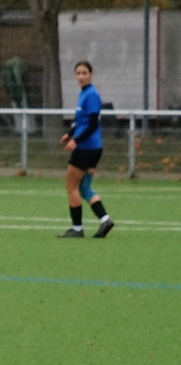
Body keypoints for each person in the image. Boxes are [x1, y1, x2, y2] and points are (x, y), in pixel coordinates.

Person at [58, 60, 114, 239]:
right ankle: (105, 220)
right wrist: (69, 134)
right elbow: (81, 122)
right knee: (84, 188)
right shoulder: (84, 94)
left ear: (91, 75)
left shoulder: (91, 95)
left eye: (84, 73)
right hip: (92, 148)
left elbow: (92, 124)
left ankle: (77, 229)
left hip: (86, 148)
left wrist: (76, 141)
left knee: (71, 186)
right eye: (78, 73)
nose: (81, 77)